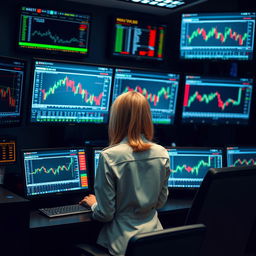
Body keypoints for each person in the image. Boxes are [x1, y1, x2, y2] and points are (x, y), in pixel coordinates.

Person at [80, 91, 170, 256]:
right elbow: (160, 202)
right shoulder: (162, 153)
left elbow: (105, 214)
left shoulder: (109, 156)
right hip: (153, 242)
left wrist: (93, 204)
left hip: (121, 246)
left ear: (117, 120)